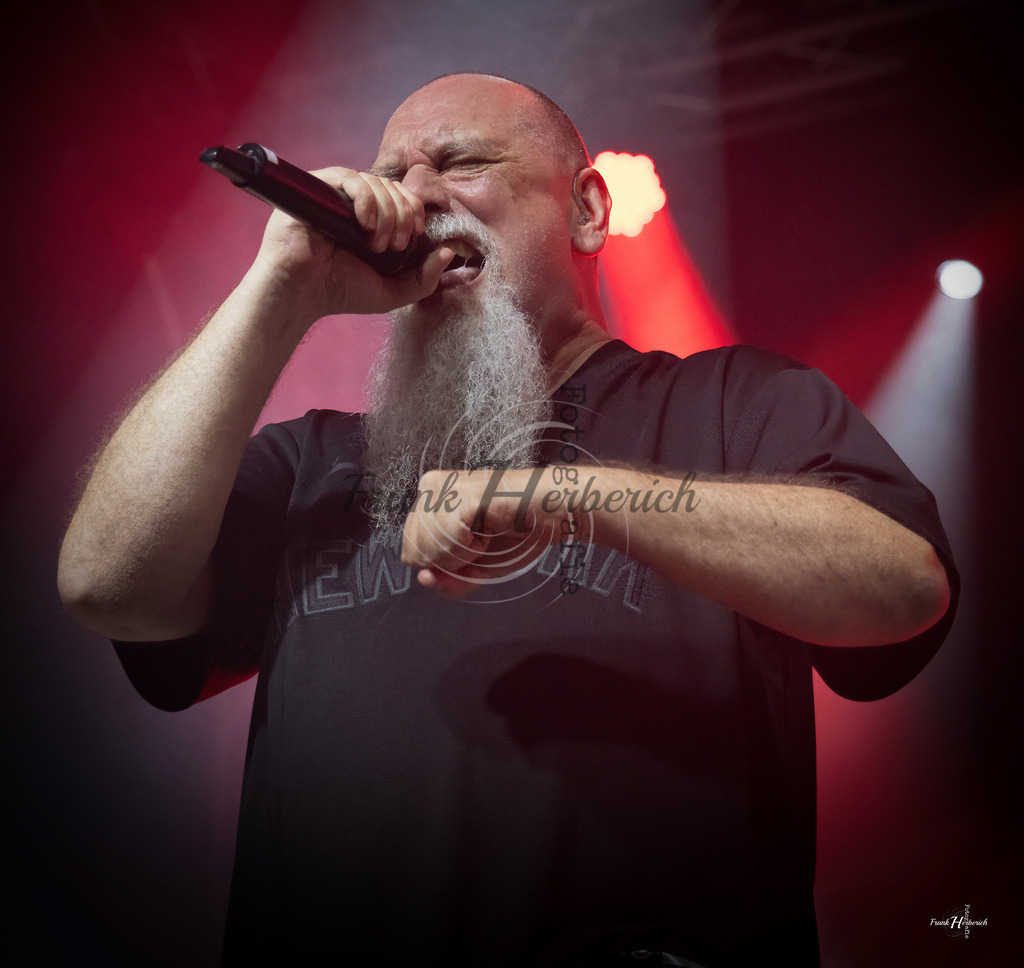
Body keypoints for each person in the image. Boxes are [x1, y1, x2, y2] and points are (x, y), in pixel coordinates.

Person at [58, 73, 956, 967]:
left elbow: (903, 584)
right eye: (391, 176)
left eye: (462, 164)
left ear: (588, 211)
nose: (415, 199)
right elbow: (106, 585)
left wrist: (567, 496)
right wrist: (283, 281)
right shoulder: (312, 462)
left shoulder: (734, 405)